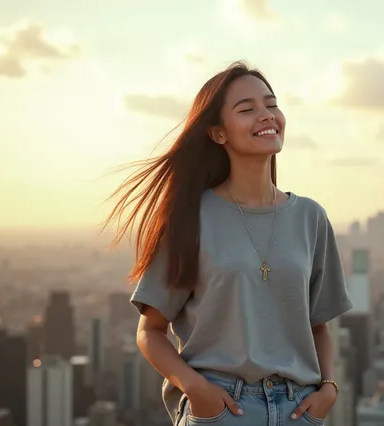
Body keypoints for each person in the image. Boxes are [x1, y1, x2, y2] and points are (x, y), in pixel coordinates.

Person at [104, 61, 353, 425]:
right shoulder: (189, 217)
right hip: (222, 410)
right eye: (247, 109)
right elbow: (150, 332)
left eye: (271, 104)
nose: (266, 115)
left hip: (299, 410)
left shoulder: (311, 217)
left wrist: (328, 388)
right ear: (219, 133)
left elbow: (319, 326)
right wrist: (195, 389)